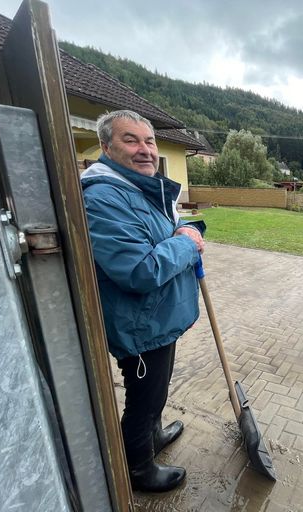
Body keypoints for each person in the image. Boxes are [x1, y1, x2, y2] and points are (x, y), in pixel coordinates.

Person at [80, 110, 205, 493]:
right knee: (143, 397)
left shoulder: (139, 188)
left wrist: (188, 229)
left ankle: (153, 437)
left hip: (158, 319)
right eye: (130, 140)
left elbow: (167, 232)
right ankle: (137, 469)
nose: (145, 149)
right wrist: (185, 243)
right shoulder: (104, 197)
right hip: (139, 324)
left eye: (148, 141)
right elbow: (139, 270)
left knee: (158, 389)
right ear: (106, 147)